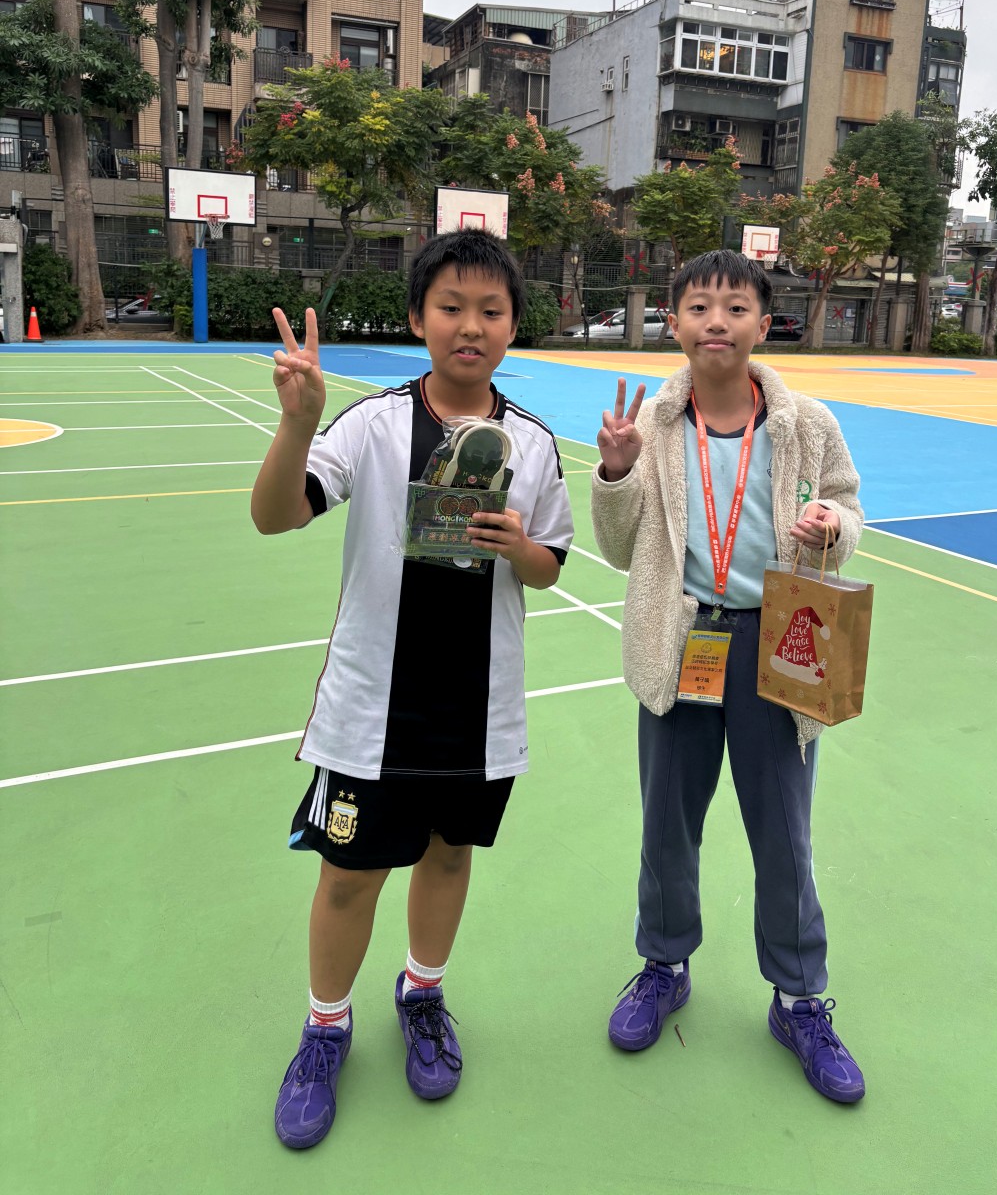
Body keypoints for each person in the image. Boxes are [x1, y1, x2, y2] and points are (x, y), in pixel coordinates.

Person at [253, 230, 574, 1149]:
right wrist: (297, 424)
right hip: (372, 709)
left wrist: (518, 548)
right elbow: (275, 516)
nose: (471, 326)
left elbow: (551, 564)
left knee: (448, 857)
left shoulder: (533, 443)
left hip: (476, 711)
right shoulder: (372, 425)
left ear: (512, 326)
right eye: (451, 307)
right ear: (416, 319)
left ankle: (422, 993)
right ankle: (326, 1027)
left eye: (491, 310)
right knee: (348, 877)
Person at [591, 248, 866, 1103]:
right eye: (700, 307)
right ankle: (664, 964)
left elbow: (848, 504)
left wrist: (832, 524)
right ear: (673, 322)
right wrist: (615, 471)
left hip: (779, 643)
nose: (718, 321)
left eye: (737, 307)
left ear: (762, 324)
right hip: (680, 641)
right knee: (667, 823)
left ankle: (799, 998)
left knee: (784, 829)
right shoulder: (652, 426)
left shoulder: (806, 422)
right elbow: (617, 547)